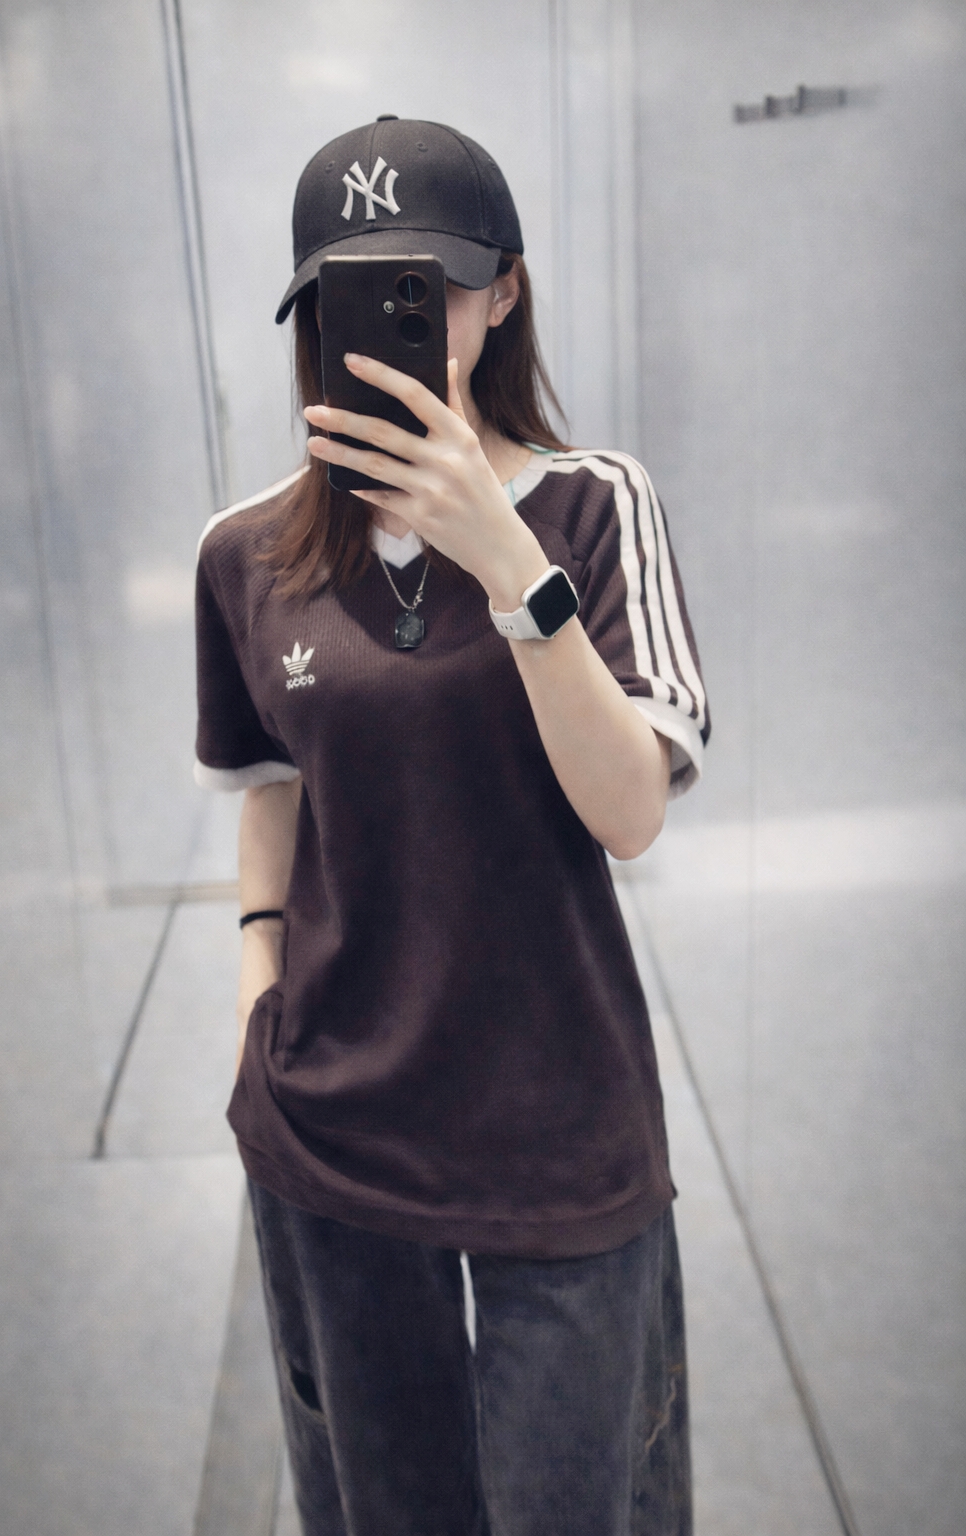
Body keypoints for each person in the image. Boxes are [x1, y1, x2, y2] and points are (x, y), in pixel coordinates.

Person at [193, 115, 709, 1536]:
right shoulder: (248, 553)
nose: (394, 326)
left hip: (561, 1118)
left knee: (578, 1502)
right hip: (333, 1122)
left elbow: (628, 815)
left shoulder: (595, 508)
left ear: (502, 292)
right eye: (349, 295)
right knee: (386, 1508)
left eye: (431, 288)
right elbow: (272, 786)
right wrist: (254, 996)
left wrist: (509, 564)